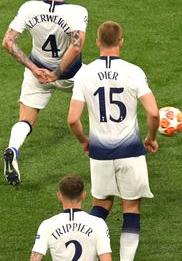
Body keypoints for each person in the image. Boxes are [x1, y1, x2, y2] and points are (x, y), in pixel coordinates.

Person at [66, 21, 160, 261]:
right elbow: (154, 113)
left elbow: (73, 119)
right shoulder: (133, 71)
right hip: (131, 152)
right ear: (121, 42)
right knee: (131, 207)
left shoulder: (84, 74)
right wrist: (151, 138)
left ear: (97, 42)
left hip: (99, 153)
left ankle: (82, 255)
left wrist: (84, 141)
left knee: (102, 203)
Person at [2, 0, 88, 186]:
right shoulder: (77, 12)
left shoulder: (29, 8)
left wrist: (33, 68)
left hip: (37, 73)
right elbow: (77, 47)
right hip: (71, 75)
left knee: (26, 119)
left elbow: (8, 41)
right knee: (101, 93)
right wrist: (57, 73)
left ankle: (13, 149)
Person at [31, 174, 112, 261]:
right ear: (84, 194)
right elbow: (106, 259)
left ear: (59, 195)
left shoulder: (47, 225)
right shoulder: (98, 223)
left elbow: (35, 258)